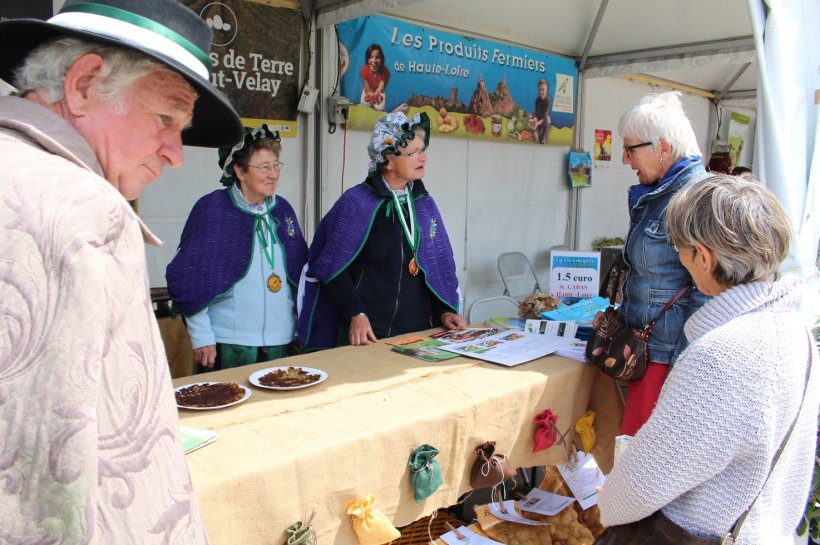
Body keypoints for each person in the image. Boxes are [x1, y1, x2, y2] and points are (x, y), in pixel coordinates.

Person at [0, 0, 242, 542]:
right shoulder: (84, 206)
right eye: (165, 118)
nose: (176, 154)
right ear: (84, 83)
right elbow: (44, 492)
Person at [598, 175, 819, 545]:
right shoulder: (797, 333)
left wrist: (607, 502)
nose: (680, 259)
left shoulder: (722, 357)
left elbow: (632, 493)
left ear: (704, 257)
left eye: (680, 249)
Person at [297, 111, 465, 349]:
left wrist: (444, 311)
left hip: (418, 334)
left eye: (423, 150)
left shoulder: (424, 204)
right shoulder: (357, 203)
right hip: (367, 336)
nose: (423, 158)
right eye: (414, 153)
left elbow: (437, 267)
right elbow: (332, 268)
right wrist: (355, 313)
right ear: (388, 158)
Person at [166, 125, 308, 371]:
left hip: (281, 341)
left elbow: (300, 274)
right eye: (264, 167)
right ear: (239, 171)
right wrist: (202, 336)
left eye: (276, 165)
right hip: (230, 343)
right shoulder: (213, 209)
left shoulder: (282, 210)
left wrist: (302, 327)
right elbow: (189, 277)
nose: (273, 174)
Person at [613, 91, 709, 436]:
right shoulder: (661, 193)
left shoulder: (695, 198)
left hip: (665, 359)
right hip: (646, 352)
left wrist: (684, 367)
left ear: (663, 149)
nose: (625, 159)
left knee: (641, 465)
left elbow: (706, 294)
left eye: (630, 149)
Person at [360, 43, 390, 111]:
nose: (374, 60)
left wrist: (376, 96)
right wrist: (370, 95)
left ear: (382, 59)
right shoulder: (364, 70)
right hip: (368, 91)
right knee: (364, 106)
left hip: (379, 92)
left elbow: (380, 87)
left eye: (377, 57)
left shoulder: (385, 71)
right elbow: (367, 86)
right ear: (367, 59)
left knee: (380, 107)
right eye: (371, 57)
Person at [531, 78, 551, 144]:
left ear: (546, 90)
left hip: (543, 121)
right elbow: (536, 114)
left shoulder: (548, 100)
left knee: (548, 119)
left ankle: (543, 138)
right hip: (538, 121)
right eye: (540, 90)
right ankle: (536, 133)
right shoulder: (537, 100)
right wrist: (534, 121)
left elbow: (545, 116)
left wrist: (537, 123)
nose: (541, 92)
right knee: (535, 138)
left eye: (543, 90)